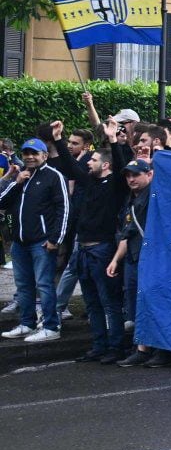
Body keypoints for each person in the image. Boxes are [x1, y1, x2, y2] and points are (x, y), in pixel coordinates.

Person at [46, 133, 129, 361]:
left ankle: (115, 347)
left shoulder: (115, 185)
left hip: (102, 250)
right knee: (92, 302)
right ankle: (99, 345)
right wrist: (59, 139)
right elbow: (71, 167)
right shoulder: (90, 182)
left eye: (92, 160)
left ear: (105, 164)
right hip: (83, 250)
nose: (88, 163)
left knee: (108, 302)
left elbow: (122, 167)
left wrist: (113, 140)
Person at [0, 137, 70, 342]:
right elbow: (2, 202)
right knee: (23, 285)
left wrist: (55, 239)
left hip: (42, 242)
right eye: (26, 153)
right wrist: (16, 182)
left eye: (34, 153)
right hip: (20, 242)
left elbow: (64, 208)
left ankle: (51, 326)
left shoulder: (54, 176)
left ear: (44, 155)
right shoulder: (22, 177)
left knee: (44, 284)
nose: (30, 157)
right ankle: (27, 323)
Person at [112, 159, 159, 366]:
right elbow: (127, 233)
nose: (131, 179)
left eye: (136, 174)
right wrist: (115, 260)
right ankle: (142, 347)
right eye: (128, 175)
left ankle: (159, 349)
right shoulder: (130, 200)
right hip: (133, 258)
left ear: (149, 175)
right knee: (136, 304)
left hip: (153, 259)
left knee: (153, 303)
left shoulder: (156, 196)